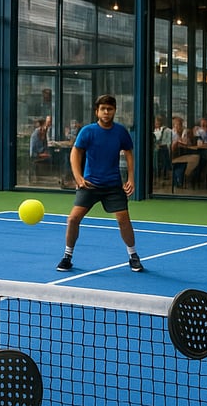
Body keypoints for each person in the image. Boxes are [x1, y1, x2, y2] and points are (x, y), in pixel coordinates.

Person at [57, 94, 144, 273]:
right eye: (103, 109)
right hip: (89, 185)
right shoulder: (87, 131)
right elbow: (75, 153)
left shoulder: (121, 132)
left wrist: (131, 178)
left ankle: (133, 256)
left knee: (123, 220)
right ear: (97, 112)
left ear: (114, 111)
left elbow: (128, 153)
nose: (106, 112)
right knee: (73, 219)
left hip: (113, 186)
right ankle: (67, 256)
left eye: (110, 109)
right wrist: (78, 177)